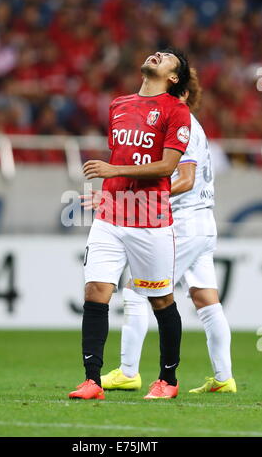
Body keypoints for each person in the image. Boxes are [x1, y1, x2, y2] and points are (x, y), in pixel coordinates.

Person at [99, 69, 237, 394]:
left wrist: (143, 194)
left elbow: (185, 180)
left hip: (186, 220)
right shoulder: (188, 124)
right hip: (203, 221)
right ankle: (223, 377)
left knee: (136, 287)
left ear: (183, 94)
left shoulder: (182, 122)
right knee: (205, 298)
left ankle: (128, 371)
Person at [68, 48, 191, 400]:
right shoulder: (118, 105)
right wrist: (108, 193)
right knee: (96, 291)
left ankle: (168, 379)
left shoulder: (176, 111)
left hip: (151, 223)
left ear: (173, 78)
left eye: (167, 57)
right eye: (157, 51)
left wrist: (113, 171)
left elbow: (167, 167)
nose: (158, 54)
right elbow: (123, 156)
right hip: (110, 218)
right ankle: (92, 380)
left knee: (161, 300)